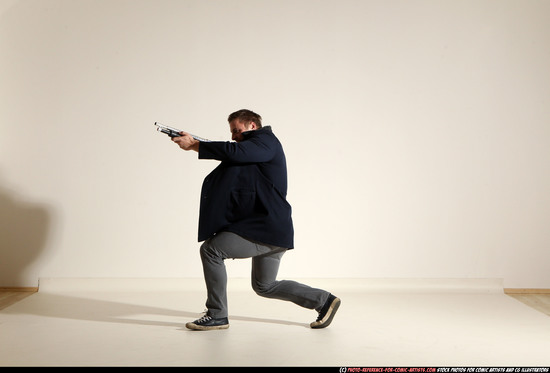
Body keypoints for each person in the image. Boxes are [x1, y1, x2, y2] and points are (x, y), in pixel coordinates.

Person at [172, 109, 340, 330]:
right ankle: (324, 300)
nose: (233, 136)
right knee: (265, 286)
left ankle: (217, 314)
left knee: (211, 250)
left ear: (253, 125)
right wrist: (195, 141)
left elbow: (236, 152)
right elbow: (234, 152)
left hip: (266, 227)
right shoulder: (255, 149)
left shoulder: (266, 141)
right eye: (231, 132)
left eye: (237, 130)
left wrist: (196, 146)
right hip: (273, 228)